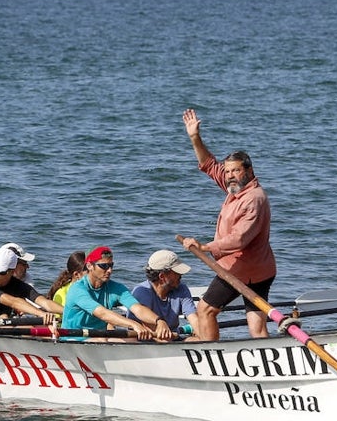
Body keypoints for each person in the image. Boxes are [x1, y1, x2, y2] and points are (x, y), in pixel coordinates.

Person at [180, 108, 276, 340]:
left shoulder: (254, 198)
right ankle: (266, 356)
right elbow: (210, 165)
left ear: (249, 171)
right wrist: (195, 138)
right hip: (262, 269)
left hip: (241, 270)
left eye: (236, 171)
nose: (230, 175)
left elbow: (239, 239)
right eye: (228, 171)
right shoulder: (237, 188)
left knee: (206, 309)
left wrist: (204, 247)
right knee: (256, 325)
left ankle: (210, 352)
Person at [61, 247, 170, 341]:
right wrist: (133, 324)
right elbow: (102, 313)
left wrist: (159, 321)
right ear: (89, 266)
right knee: (101, 341)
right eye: (104, 266)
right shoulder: (77, 289)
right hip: (73, 338)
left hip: (100, 337)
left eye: (111, 265)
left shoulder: (116, 288)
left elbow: (138, 308)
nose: (109, 270)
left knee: (135, 340)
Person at [0, 245, 62, 324]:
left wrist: (68, 312)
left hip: (3, 323)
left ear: (12, 271)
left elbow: (43, 302)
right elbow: (13, 302)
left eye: (1, 272)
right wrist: (41, 314)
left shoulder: (17, 284)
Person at [132, 249, 200, 337]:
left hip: (172, 337)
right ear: (162, 276)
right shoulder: (142, 292)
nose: (181, 275)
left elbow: (193, 318)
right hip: (147, 338)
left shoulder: (182, 288)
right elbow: (150, 329)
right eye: (177, 272)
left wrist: (202, 333)